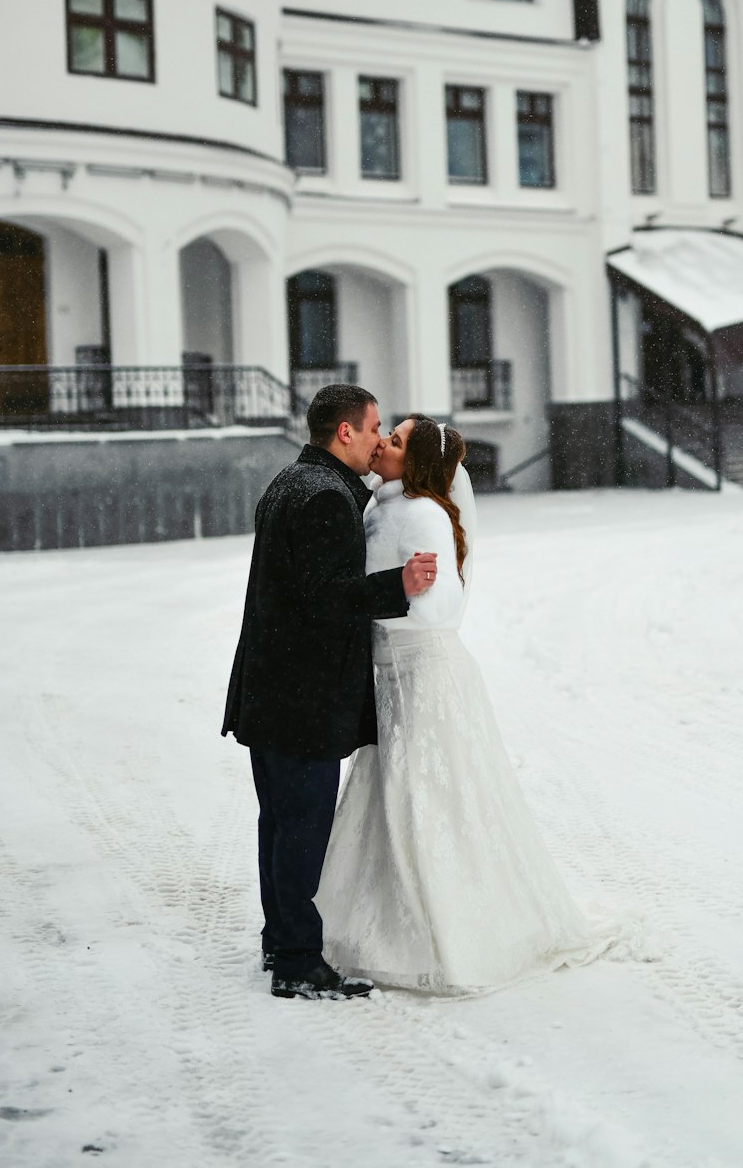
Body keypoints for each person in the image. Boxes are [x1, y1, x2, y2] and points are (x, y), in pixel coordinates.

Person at [316, 414, 652, 995]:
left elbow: (441, 608)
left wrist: (402, 593)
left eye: (395, 441)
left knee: (427, 797)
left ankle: (448, 931)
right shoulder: (379, 505)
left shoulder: (423, 514)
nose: (384, 445)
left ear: (414, 462)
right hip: (388, 675)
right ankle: (382, 921)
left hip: (423, 674)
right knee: (387, 794)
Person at [221, 384, 438, 1001]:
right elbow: (326, 601)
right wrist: (397, 584)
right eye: (373, 428)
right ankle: (297, 961)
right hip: (300, 695)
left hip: (273, 685)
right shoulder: (322, 497)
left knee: (281, 822)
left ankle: (281, 939)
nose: (378, 439)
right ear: (345, 432)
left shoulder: (295, 481)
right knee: (303, 826)